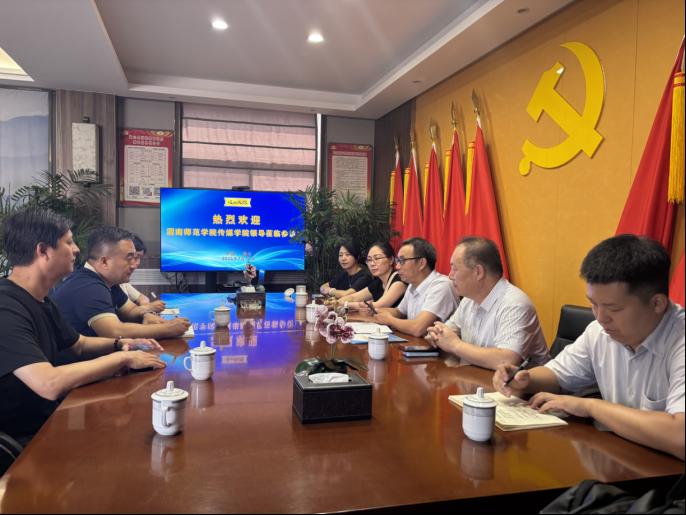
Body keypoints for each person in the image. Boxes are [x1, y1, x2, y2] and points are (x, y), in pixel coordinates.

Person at [493, 235, 684, 460]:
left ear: (657, 303)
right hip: (623, 459)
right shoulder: (599, 332)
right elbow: (557, 375)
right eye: (593, 304)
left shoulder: (679, 341)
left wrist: (590, 407)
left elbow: (680, 437)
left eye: (613, 308)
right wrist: (525, 380)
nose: (600, 318)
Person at [0, 208, 165, 445]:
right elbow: (48, 383)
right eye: (69, 242)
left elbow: (78, 344)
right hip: (23, 441)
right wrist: (123, 358)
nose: (77, 249)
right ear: (43, 251)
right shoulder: (6, 307)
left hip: (52, 418)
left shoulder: (41, 299)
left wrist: (120, 344)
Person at [426, 237, 550, 370]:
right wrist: (437, 336)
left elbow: (507, 361)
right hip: (477, 378)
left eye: (455, 269)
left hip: (523, 383)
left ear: (478, 272)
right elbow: (446, 332)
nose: (450, 276)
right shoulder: (469, 300)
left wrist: (455, 345)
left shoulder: (515, 304)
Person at [51, 226, 190, 340]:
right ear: (104, 261)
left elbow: (130, 311)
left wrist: (146, 316)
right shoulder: (88, 287)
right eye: (129, 258)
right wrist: (168, 328)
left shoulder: (108, 281)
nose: (134, 265)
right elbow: (115, 331)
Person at [372, 237, 458, 337]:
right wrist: (375, 311)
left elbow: (418, 328)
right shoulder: (412, 284)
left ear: (421, 263)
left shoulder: (441, 285)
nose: (397, 266)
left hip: (433, 346)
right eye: (397, 261)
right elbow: (399, 312)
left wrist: (390, 320)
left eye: (402, 261)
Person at [339, 241, 407, 310]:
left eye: (377, 258)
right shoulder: (378, 282)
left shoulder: (399, 281)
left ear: (391, 260)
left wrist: (345, 304)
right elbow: (353, 298)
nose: (372, 264)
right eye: (369, 260)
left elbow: (377, 306)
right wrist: (336, 302)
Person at [120, 234, 166, 314]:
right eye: (134, 257)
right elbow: (125, 316)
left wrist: (147, 309)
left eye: (139, 258)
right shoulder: (106, 285)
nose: (137, 263)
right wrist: (148, 308)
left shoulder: (121, 282)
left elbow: (140, 299)